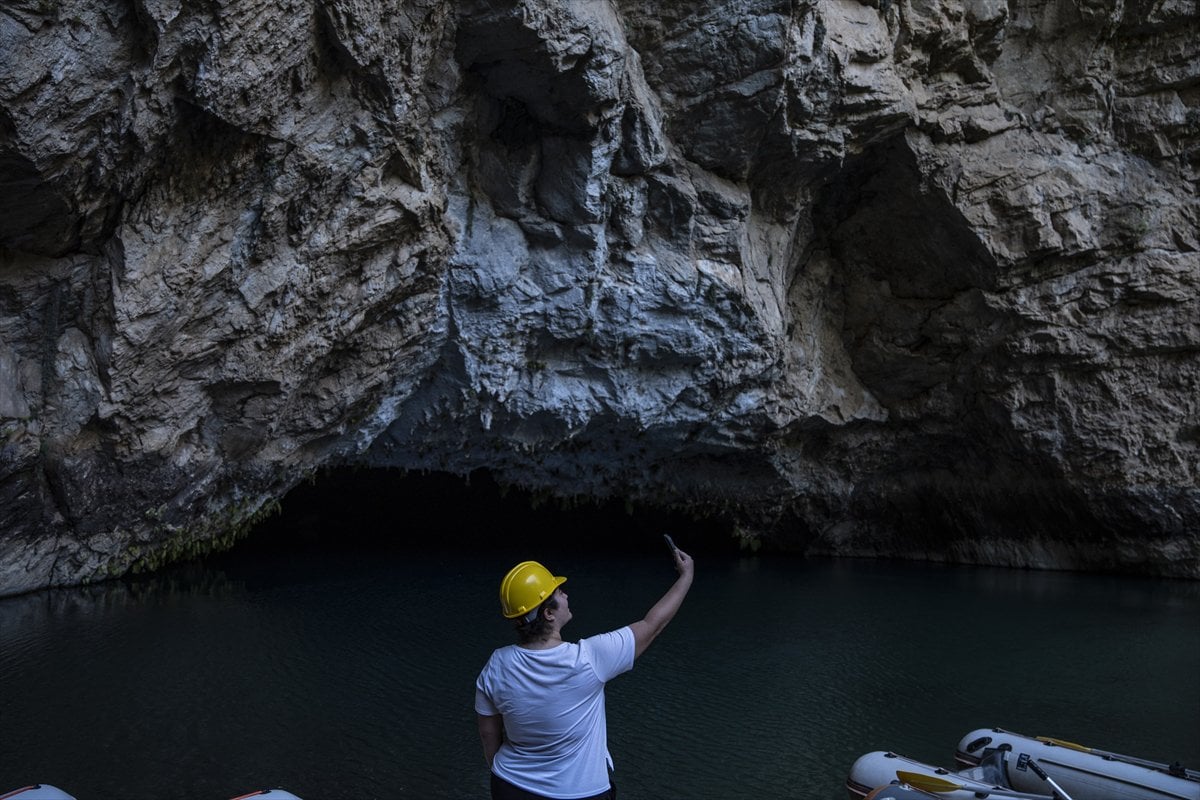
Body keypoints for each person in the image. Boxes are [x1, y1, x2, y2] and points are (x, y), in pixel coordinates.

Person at [474, 544, 695, 800]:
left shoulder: (497, 664)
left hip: (511, 786)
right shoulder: (589, 658)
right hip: (580, 793)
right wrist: (686, 576)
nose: (566, 595)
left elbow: (488, 732)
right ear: (548, 613)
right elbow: (653, 624)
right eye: (559, 592)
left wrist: (501, 771)